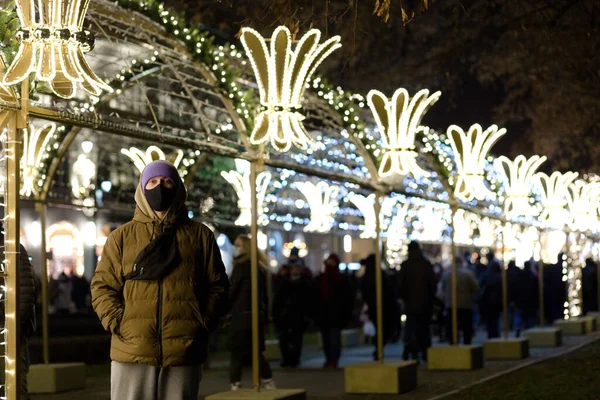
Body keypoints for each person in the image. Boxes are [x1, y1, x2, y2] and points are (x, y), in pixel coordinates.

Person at [91, 160, 230, 400]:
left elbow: (217, 285)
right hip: (131, 349)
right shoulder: (121, 237)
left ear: (177, 188)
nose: (160, 187)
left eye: (167, 182)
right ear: (142, 188)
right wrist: (119, 322)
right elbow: (102, 287)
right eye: (153, 182)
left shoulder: (200, 236)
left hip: (183, 350)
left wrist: (200, 322)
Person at [228, 235, 275, 390]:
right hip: (255, 315)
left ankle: (235, 383)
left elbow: (232, 292)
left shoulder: (241, 267)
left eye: (238, 245)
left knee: (237, 352)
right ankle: (268, 379)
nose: (235, 248)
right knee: (255, 351)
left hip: (241, 316)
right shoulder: (258, 268)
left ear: (245, 247)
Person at [0, 226, 36, 400]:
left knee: (14, 385)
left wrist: (11, 327)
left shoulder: (12, 249)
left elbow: (25, 294)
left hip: (9, 331)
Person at [398, 242, 436, 362]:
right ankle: (426, 353)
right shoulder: (426, 264)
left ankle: (412, 353)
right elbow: (432, 285)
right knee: (424, 330)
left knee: (411, 330)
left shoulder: (406, 265)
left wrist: (404, 298)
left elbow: (400, 285)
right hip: (426, 304)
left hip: (410, 304)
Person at [314, 254, 352, 368]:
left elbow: (346, 299)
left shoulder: (340, 280)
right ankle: (329, 359)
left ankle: (333, 359)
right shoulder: (322, 280)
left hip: (335, 315)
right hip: (325, 314)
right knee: (326, 339)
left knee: (334, 339)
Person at [361, 254, 400, 361]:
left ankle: (378, 346)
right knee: (385, 329)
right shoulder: (380, 275)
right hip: (383, 307)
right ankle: (378, 346)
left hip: (376, 307)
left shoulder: (369, 275)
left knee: (381, 329)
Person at [272, 264, 311, 368]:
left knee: (296, 340)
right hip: (285, 316)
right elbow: (278, 300)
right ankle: (286, 358)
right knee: (284, 339)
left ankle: (294, 359)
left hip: (298, 316)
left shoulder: (304, 283)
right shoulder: (284, 283)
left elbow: (308, 301)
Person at [441, 256, 479, 344]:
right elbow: (475, 288)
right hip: (465, 304)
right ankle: (467, 343)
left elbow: (443, 288)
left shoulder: (447, 274)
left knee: (452, 327)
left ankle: (453, 343)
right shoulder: (468, 273)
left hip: (450, 304)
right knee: (466, 327)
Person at [479, 258, 503, 339]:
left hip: (488, 301)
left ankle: (491, 335)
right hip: (498, 301)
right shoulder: (501, 277)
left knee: (490, 320)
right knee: (496, 319)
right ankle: (496, 334)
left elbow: (480, 287)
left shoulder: (486, 276)